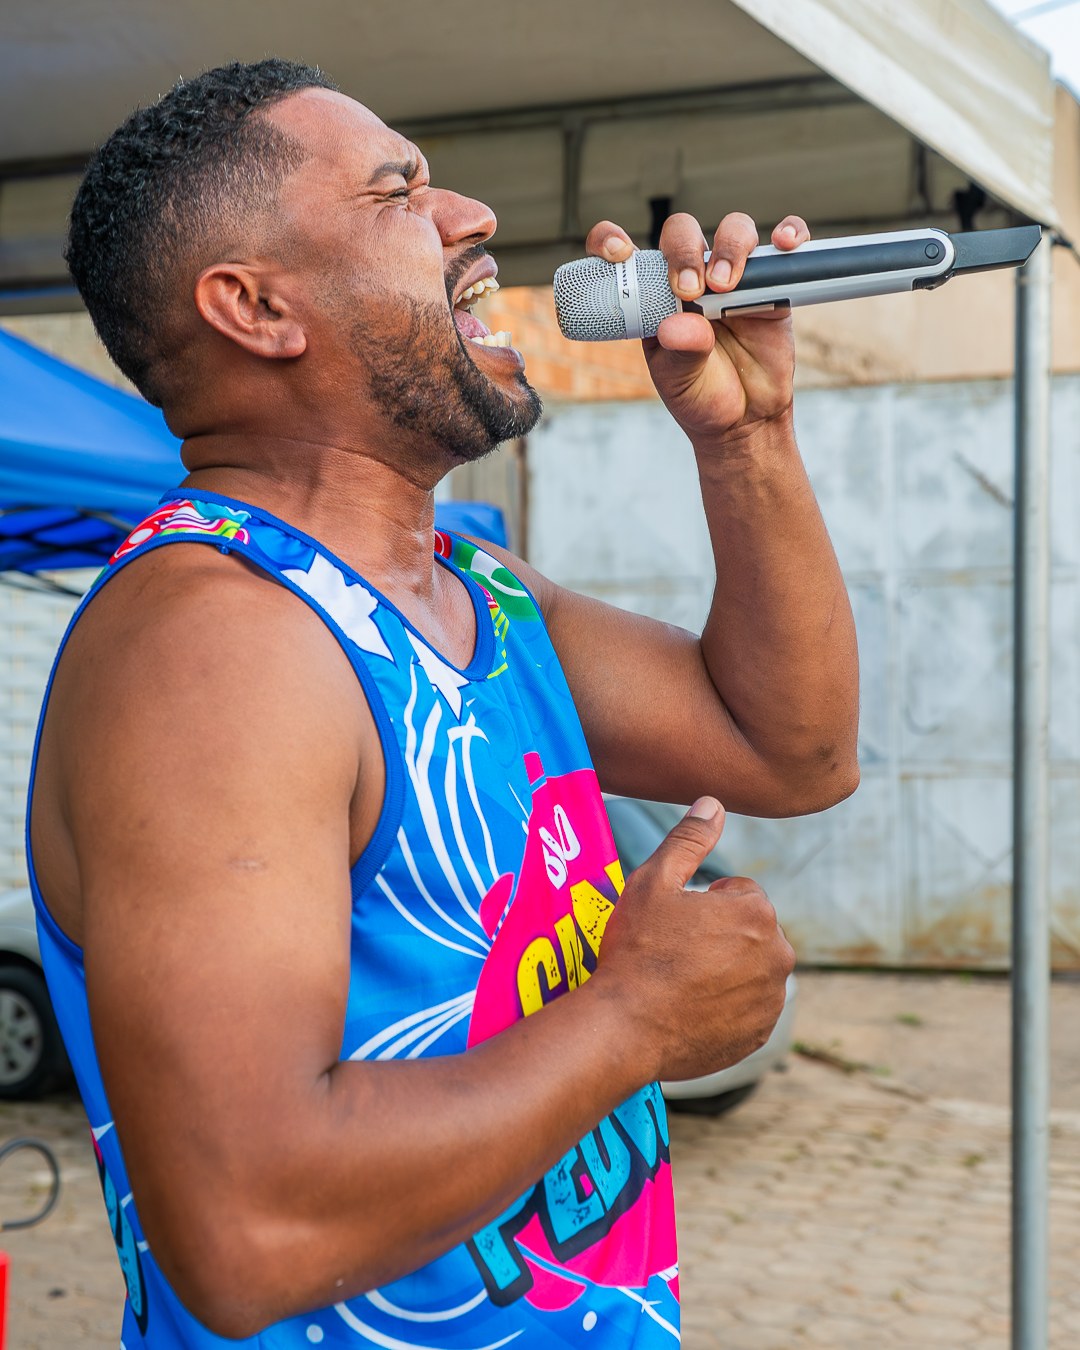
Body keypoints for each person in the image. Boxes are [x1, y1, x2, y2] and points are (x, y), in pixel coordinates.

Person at [28, 58, 859, 1350]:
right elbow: (249, 1232)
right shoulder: (219, 642)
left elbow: (791, 747)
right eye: (399, 191)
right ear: (254, 306)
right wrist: (632, 1019)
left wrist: (747, 440)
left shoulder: (471, 589)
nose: (470, 216)